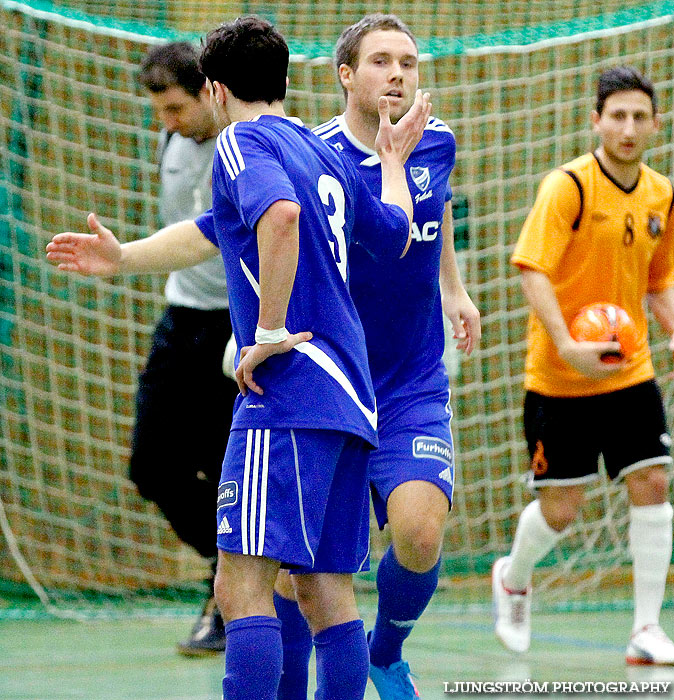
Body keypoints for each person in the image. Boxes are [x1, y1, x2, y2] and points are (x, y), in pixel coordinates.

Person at [47, 16, 432, 700]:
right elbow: (394, 232)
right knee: (322, 589)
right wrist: (126, 257)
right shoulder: (325, 154)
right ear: (285, 81)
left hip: (288, 391)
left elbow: (276, 217)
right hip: (351, 398)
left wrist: (270, 331)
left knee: (241, 584)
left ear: (216, 90)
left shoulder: (240, 143)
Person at [271, 14, 481, 700]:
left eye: (408, 63)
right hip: (330, 381)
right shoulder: (313, 155)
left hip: (410, 381)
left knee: (420, 532)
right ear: (345, 75)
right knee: (289, 568)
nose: (398, 75)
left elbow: (436, 209)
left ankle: (384, 653)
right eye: (381, 62)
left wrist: (454, 288)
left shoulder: (436, 140)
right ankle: (284, 682)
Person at [493, 66, 674, 665]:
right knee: (560, 510)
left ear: (655, 123)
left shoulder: (662, 194)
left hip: (630, 370)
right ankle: (514, 578)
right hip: (561, 376)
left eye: (639, 116)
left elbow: (659, 279)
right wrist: (568, 345)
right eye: (616, 115)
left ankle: (646, 629)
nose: (628, 127)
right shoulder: (567, 187)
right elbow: (532, 268)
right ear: (596, 120)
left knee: (652, 481)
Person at [137, 42, 239, 656]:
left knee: (231, 470)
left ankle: (232, 594)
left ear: (209, 91)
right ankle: (231, 568)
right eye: (159, 111)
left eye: (175, 107)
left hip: (239, 325)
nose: (167, 122)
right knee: (151, 465)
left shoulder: (245, 149)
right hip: (184, 320)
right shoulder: (171, 140)